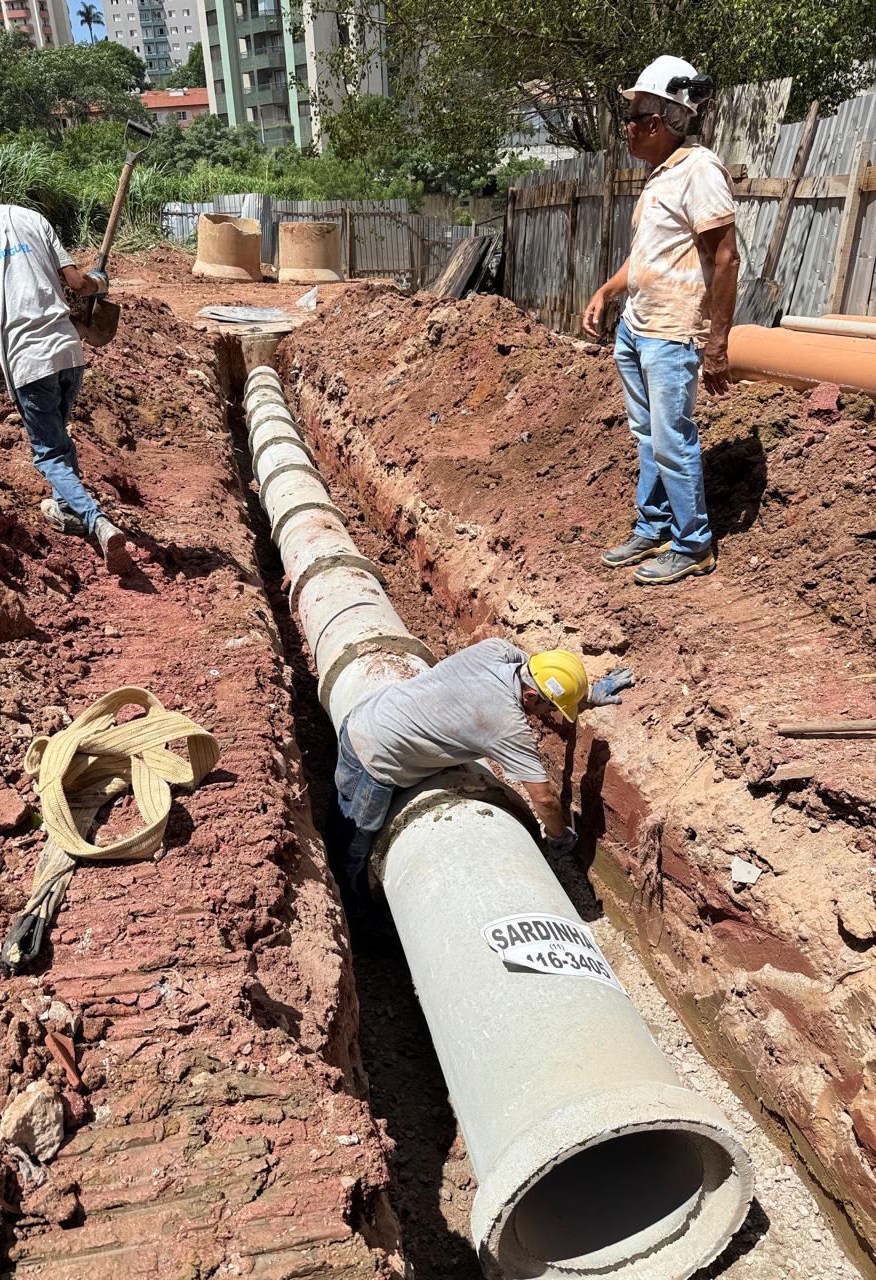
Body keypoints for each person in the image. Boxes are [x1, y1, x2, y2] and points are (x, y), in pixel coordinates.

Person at [327, 637, 633, 923]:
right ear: (529, 697)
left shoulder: (497, 650)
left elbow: (539, 676)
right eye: (550, 707)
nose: (550, 715)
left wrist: (583, 698)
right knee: (355, 839)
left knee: (346, 802)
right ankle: (353, 910)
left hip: (372, 710)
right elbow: (544, 798)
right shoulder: (506, 724)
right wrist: (558, 837)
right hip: (373, 753)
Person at [0, 138, 132, 575]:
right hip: (69, 351)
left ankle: (97, 521)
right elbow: (78, 283)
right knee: (58, 437)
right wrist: (100, 282)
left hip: (27, 361)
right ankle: (67, 508)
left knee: (47, 454)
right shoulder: (30, 217)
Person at [584, 56, 740, 586]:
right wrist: (608, 291)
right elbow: (647, 255)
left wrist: (716, 343)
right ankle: (653, 526)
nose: (625, 127)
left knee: (671, 439)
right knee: (647, 436)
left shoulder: (700, 171)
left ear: (654, 123)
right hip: (637, 327)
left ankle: (693, 544)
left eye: (630, 118)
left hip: (672, 333)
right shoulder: (661, 175)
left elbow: (726, 259)